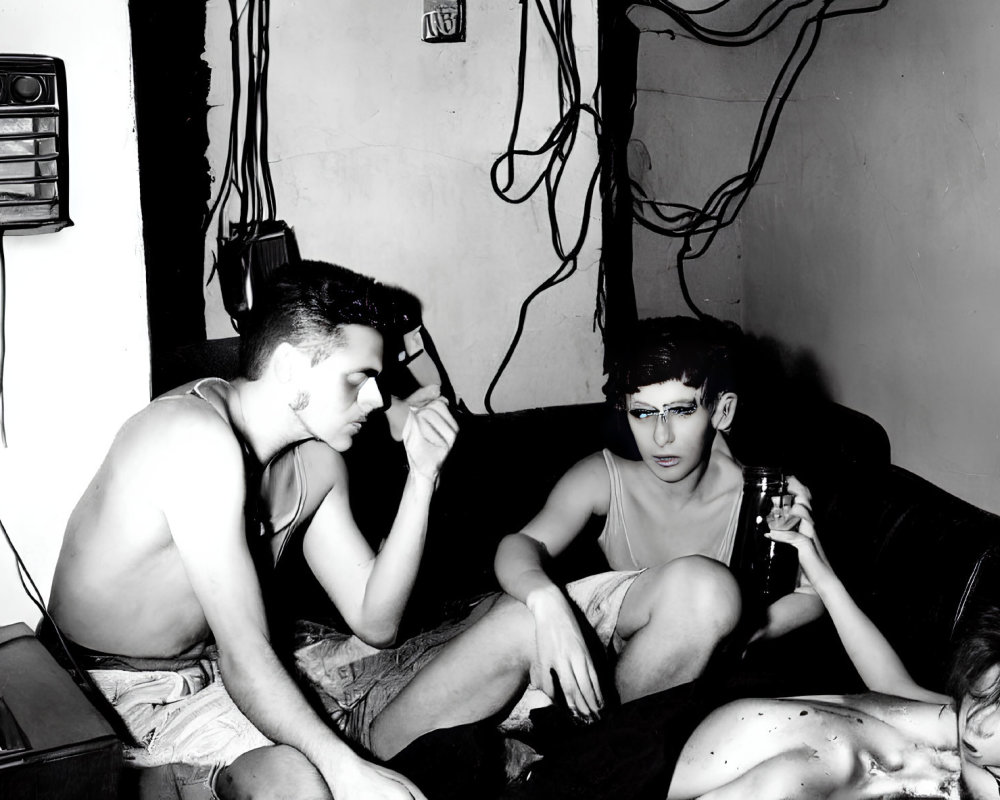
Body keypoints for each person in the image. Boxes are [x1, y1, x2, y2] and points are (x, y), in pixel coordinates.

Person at [297, 315, 822, 766]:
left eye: (681, 411)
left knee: (706, 597)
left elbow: (812, 595)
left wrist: (743, 633)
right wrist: (545, 600)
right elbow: (519, 546)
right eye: (643, 413)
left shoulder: (762, 493)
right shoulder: (606, 476)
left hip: (625, 697)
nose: (661, 438)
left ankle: (595, 761)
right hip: (551, 662)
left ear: (721, 411)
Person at [44, 261, 458, 800]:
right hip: (104, 695)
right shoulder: (193, 436)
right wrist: (344, 770)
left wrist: (422, 476)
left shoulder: (316, 463)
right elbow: (246, 654)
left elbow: (376, 620)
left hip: (203, 678)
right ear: (288, 367)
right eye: (358, 378)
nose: (378, 399)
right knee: (315, 780)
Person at [665, 483, 1000, 800]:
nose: (977, 723)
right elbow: (891, 684)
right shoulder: (959, 722)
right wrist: (818, 566)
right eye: (981, 695)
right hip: (676, 739)